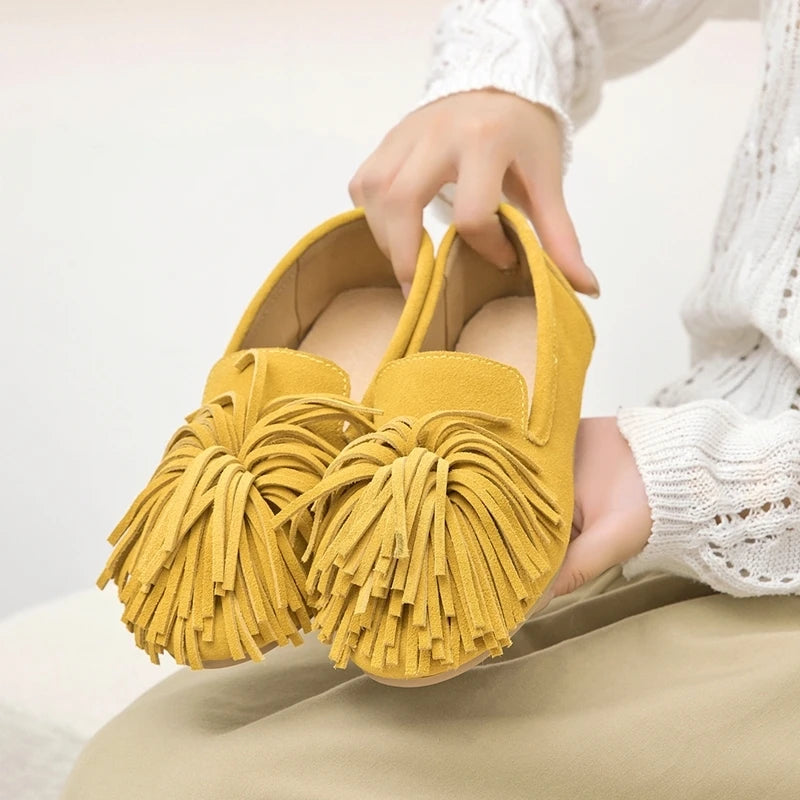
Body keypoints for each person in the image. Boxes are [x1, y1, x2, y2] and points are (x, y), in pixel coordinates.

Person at [62, 2, 800, 798]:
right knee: (145, 758)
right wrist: (501, 74)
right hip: (695, 496)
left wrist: (712, 481)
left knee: (191, 782)